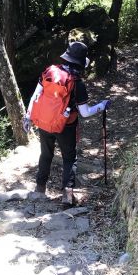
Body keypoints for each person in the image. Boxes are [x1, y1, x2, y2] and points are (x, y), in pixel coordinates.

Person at [23, 42, 110, 206]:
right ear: (81, 62)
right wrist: (102, 106)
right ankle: (67, 197)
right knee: (69, 158)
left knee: (46, 154)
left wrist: (27, 117)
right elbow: (84, 113)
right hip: (66, 126)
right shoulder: (78, 84)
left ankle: (40, 189)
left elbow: (35, 96)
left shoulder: (49, 72)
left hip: (44, 122)